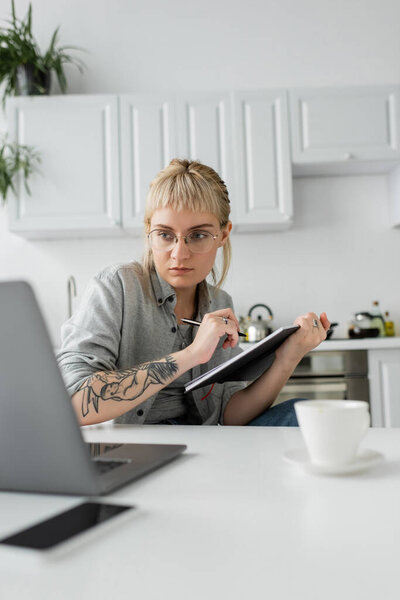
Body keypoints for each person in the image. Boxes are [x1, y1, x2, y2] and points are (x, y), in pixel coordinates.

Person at [57, 159, 330, 427]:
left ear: (223, 235)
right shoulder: (116, 287)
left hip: (203, 442)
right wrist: (192, 354)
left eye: (198, 235)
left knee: (301, 412)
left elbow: (229, 416)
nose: (179, 253)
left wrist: (288, 357)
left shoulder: (220, 303)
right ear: (148, 231)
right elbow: (76, 401)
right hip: (135, 445)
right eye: (165, 235)